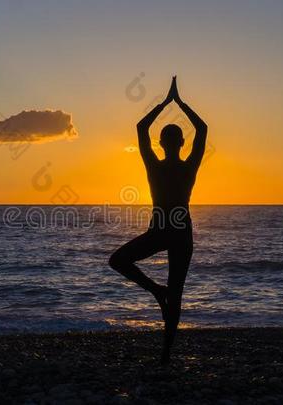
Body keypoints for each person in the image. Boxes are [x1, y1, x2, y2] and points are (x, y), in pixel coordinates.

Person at [109, 76, 207, 364]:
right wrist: (179, 103)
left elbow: (141, 128)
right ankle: (164, 345)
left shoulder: (157, 165)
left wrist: (166, 104)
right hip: (178, 230)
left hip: (166, 231)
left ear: (163, 142)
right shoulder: (188, 165)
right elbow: (202, 129)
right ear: (180, 142)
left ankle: (164, 342)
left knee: (121, 262)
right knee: (171, 292)